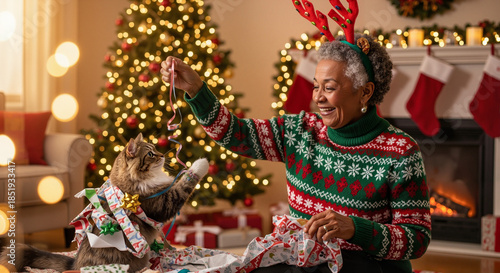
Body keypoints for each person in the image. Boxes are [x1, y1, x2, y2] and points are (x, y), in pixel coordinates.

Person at [160, 33, 431, 273]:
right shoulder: (299, 131)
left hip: (368, 266)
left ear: (365, 92)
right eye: (316, 85)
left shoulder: (400, 151)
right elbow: (235, 133)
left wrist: (354, 228)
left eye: (330, 87)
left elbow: (416, 239)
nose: (318, 97)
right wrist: (196, 90)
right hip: (303, 259)